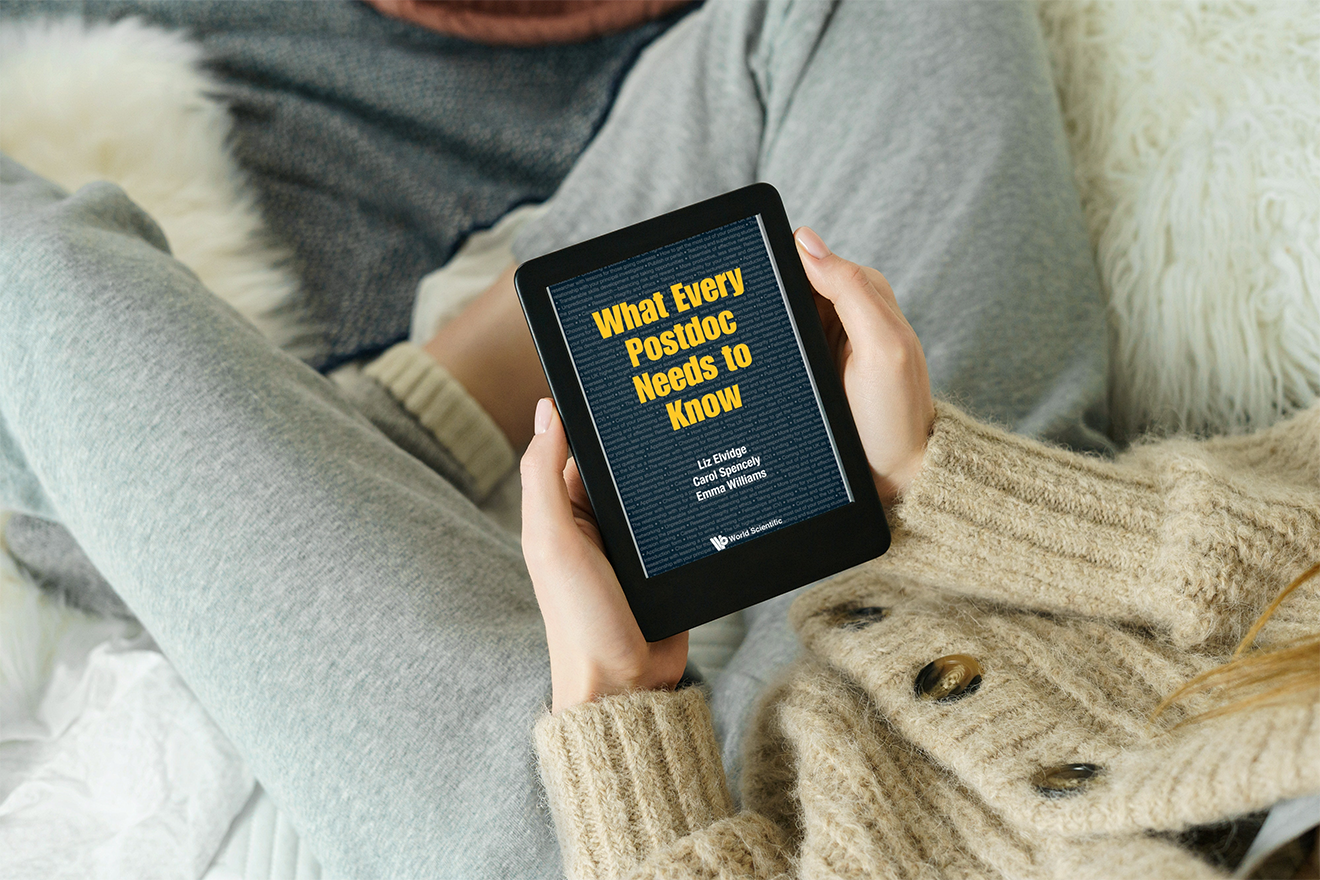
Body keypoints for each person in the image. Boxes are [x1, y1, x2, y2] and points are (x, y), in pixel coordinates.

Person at [0, 0, 1113, 877]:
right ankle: (414, 419)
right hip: (955, 673)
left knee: (43, 288)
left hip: (597, 831)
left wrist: (618, 729)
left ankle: (387, 431)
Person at [521, 225, 1320, 879]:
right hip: (1010, 553)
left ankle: (441, 385)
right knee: (819, 35)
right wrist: (924, 475)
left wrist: (613, 705)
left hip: (697, 802)